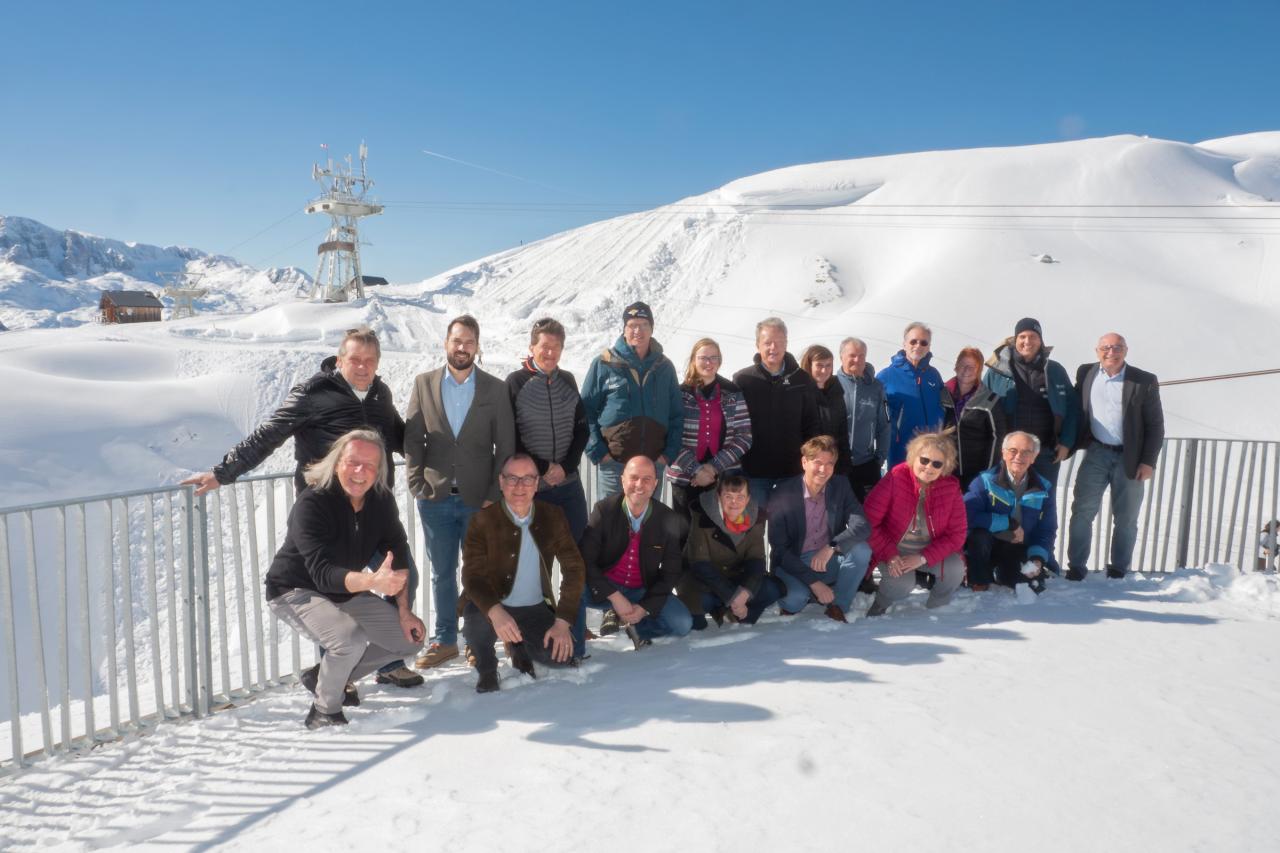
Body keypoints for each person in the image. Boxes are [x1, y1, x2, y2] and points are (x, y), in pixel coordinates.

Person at [182, 327, 422, 689]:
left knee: (403, 577)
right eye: (355, 359)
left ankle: (386, 662)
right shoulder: (313, 393)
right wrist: (223, 472)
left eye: (370, 361)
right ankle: (337, 679)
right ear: (339, 360)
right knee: (332, 590)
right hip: (326, 512)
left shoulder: (379, 393)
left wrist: (444, 457)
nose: (362, 367)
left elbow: (398, 435)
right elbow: (270, 433)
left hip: (373, 509)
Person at [264, 430, 425, 729]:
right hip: (294, 589)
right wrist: (371, 582)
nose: (360, 471)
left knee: (410, 638)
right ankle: (324, 711)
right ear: (337, 462)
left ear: (379, 471)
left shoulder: (381, 501)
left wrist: (404, 611)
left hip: (344, 590)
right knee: (349, 640)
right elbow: (323, 574)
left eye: (370, 465)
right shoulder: (312, 503)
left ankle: (325, 676)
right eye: (353, 462)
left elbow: (399, 554)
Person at [405, 315, 516, 668]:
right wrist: (416, 482)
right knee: (442, 573)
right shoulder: (424, 384)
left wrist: (493, 494)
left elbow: (505, 446)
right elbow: (413, 438)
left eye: (469, 341)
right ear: (446, 343)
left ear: (477, 346)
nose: (462, 347)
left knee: (479, 573)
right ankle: (445, 639)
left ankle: (477, 640)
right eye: (457, 340)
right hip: (435, 498)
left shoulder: (495, 389)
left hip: (478, 501)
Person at [459, 454, 586, 693]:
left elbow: (574, 568)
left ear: (537, 483)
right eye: (512, 478)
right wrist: (496, 612)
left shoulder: (553, 515)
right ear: (501, 482)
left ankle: (519, 648)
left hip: (534, 606)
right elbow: (472, 576)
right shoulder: (482, 520)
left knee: (560, 658)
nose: (519, 486)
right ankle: (486, 669)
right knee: (476, 619)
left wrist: (562, 621)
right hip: (493, 603)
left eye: (527, 479)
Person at [1066, 333, 1164, 580]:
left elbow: (1155, 425)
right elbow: (1073, 407)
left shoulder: (1143, 380)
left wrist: (1148, 462)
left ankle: (1119, 568)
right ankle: (1076, 566)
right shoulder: (1086, 373)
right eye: (1106, 347)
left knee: (1126, 517)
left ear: (1126, 351)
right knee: (1082, 511)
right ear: (1097, 351)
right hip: (1096, 452)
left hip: (1129, 457)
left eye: (1117, 347)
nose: (1111, 352)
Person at [577, 456, 691, 651]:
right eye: (634, 478)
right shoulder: (604, 510)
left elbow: (671, 571)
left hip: (640, 590)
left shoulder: (668, 518)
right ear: (622, 480)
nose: (639, 485)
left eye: (647, 479)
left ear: (655, 484)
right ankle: (575, 644)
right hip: (603, 588)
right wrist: (614, 596)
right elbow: (585, 560)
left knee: (682, 623)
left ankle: (638, 628)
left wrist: (646, 607)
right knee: (573, 591)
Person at [580, 301, 683, 499]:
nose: (638, 331)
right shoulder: (604, 363)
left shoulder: (664, 367)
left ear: (652, 329)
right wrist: (599, 453)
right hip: (614, 465)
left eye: (644, 325)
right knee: (610, 517)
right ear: (624, 329)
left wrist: (666, 456)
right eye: (632, 325)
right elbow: (585, 411)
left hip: (652, 466)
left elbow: (676, 415)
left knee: (648, 518)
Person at [767, 436, 872, 622]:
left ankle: (838, 605)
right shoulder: (783, 492)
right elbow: (780, 550)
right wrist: (814, 583)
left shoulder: (840, 485)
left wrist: (832, 546)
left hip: (826, 558)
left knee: (861, 551)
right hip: (793, 561)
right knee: (795, 600)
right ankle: (809, 591)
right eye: (818, 462)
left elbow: (862, 525)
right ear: (804, 462)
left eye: (829, 464)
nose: (823, 470)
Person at [865, 430, 968, 615]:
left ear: (945, 466)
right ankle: (881, 604)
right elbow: (869, 521)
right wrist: (890, 554)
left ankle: (937, 610)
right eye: (924, 460)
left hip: (927, 551)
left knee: (955, 569)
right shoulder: (896, 477)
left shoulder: (951, 488)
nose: (929, 467)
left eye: (937, 464)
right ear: (913, 457)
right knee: (902, 583)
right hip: (892, 548)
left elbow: (957, 535)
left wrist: (923, 557)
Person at [506, 318, 589, 541]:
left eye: (556, 347)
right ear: (532, 348)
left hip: (569, 486)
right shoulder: (515, 382)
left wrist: (565, 467)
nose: (550, 353)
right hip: (531, 489)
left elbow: (582, 430)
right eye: (545, 346)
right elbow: (510, 438)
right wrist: (543, 468)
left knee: (578, 553)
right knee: (535, 556)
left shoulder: (567, 380)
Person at [733, 317, 820, 508]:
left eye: (779, 342)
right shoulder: (743, 380)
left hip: (791, 472)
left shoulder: (802, 379)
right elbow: (734, 425)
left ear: (786, 344)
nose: (773, 348)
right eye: (767, 343)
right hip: (754, 472)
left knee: (788, 525)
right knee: (754, 524)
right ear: (757, 345)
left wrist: (809, 459)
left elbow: (811, 423)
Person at [981, 318, 1078, 486]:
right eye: (1022, 336)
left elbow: (1072, 408)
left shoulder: (1055, 370)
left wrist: (1066, 443)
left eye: (1033, 337)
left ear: (1041, 341)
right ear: (1015, 340)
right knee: (1005, 499)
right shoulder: (998, 370)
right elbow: (981, 408)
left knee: (1043, 499)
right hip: (1008, 454)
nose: (1027, 341)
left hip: (1045, 453)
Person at [678, 474, 783, 628]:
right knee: (697, 625)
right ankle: (724, 609)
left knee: (772, 588)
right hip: (701, 580)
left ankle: (740, 616)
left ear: (748, 499)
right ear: (719, 497)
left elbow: (756, 560)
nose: (734, 503)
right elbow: (700, 564)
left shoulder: (755, 518)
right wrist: (733, 597)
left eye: (740, 497)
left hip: (734, 575)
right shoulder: (701, 516)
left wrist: (745, 593)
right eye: (728, 497)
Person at [665, 337, 752, 520]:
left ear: (720, 361)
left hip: (724, 477)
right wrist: (696, 470)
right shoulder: (679, 394)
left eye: (714, 358)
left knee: (720, 531)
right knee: (685, 531)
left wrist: (713, 468)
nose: (708, 362)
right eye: (703, 357)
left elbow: (744, 436)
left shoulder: (732, 392)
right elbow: (670, 436)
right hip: (685, 477)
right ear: (693, 360)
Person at [964, 431, 1056, 594]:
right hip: (987, 544)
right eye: (1013, 450)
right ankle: (978, 580)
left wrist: (1037, 558)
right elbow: (967, 515)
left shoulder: (1044, 488)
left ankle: (1002, 573)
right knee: (979, 537)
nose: (1018, 456)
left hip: (1016, 547)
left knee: (1027, 583)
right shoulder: (984, 481)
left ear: (1034, 457)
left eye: (1026, 452)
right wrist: (1008, 523)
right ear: (1003, 453)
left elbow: (1047, 529)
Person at [877, 322, 947, 469]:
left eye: (923, 342)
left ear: (928, 347)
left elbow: (943, 406)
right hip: (901, 451)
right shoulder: (886, 376)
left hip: (932, 452)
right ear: (904, 344)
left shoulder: (933, 375)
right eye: (913, 341)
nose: (918, 346)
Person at [943, 346, 1007, 491]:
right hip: (943, 468)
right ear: (956, 366)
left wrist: (988, 471)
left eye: (972, 367)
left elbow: (997, 437)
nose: (966, 370)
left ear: (979, 371)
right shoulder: (941, 393)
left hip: (974, 472)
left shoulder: (989, 399)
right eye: (963, 365)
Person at [835, 337, 890, 503]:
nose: (857, 360)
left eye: (861, 356)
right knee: (836, 513)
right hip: (836, 464)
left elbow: (884, 425)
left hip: (866, 464)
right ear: (841, 356)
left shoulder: (876, 387)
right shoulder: (832, 384)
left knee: (869, 513)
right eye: (852, 355)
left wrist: (879, 458)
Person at [801, 344, 853, 478]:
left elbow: (842, 431)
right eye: (819, 365)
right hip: (810, 466)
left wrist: (845, 464)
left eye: (828, 365)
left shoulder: (836, 391)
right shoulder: (800, 392)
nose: (824, 370)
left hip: (835, 464)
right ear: (809, 365)